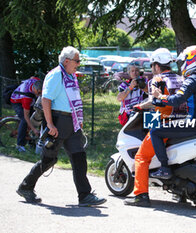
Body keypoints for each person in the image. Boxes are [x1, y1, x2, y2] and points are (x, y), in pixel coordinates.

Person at [16, 46, 106, 207]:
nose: (78, 64)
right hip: (58, 121)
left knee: (79, 158)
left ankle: (85, 195)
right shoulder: (56, 75)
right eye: (77, 61)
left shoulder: (70, 76)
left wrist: (78, 119)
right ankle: (26, 186)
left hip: (71, 123)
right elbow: (46, 100)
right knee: (49, 160)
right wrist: (49, 124)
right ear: (66, 61)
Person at [124, 48, 186, 207]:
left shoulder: (157, 78)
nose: (152, 69)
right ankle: (180, 192)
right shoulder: (180, 78)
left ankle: (141, 195)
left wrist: (139, 106)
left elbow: (153, 101)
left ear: (157, 66)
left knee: (141, 157)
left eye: (152, 65)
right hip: (182, 121)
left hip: (163, 121)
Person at [149, 45, 196, 179]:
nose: (183, 64)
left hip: (192, 124)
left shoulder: (193, 79)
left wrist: (160, 97)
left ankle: (164, 168)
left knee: (155, 131)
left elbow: (177, 100)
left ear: (192, 60)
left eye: (184, 61)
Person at [10, 77, 42, 152]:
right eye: (39, 93)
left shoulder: (37, 81)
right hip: (16, 101)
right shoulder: (27, 98)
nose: (40, 95)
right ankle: (20, 145)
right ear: (34, 89)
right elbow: (26, 116)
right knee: (24, 120)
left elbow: (32, 77)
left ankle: (31, 139)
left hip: (28, 97)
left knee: (35, 114)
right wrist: (34, 130)